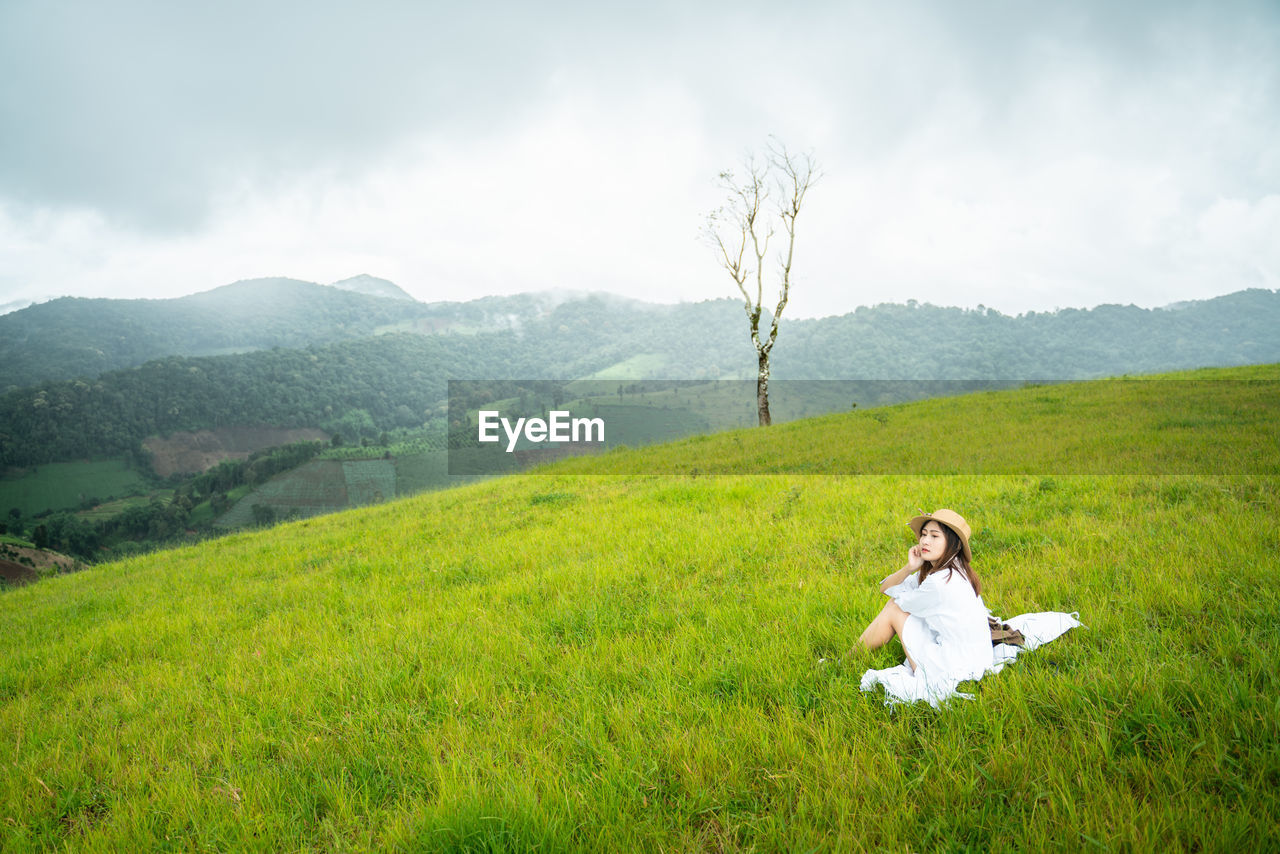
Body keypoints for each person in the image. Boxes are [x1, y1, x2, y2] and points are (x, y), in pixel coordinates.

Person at [857, 509, 994, 703]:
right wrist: (910, 567)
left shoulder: (940, 583)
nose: (925, 541)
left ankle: (846, 660)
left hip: (952, 665)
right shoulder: (953, 568)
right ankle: (852, 655)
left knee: (895, 608)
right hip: (975, 658)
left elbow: (894, 600)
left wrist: (907, 579)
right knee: (896, 604)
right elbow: (885, 588)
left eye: (934, 536)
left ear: (952, 543)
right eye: (923, 534)